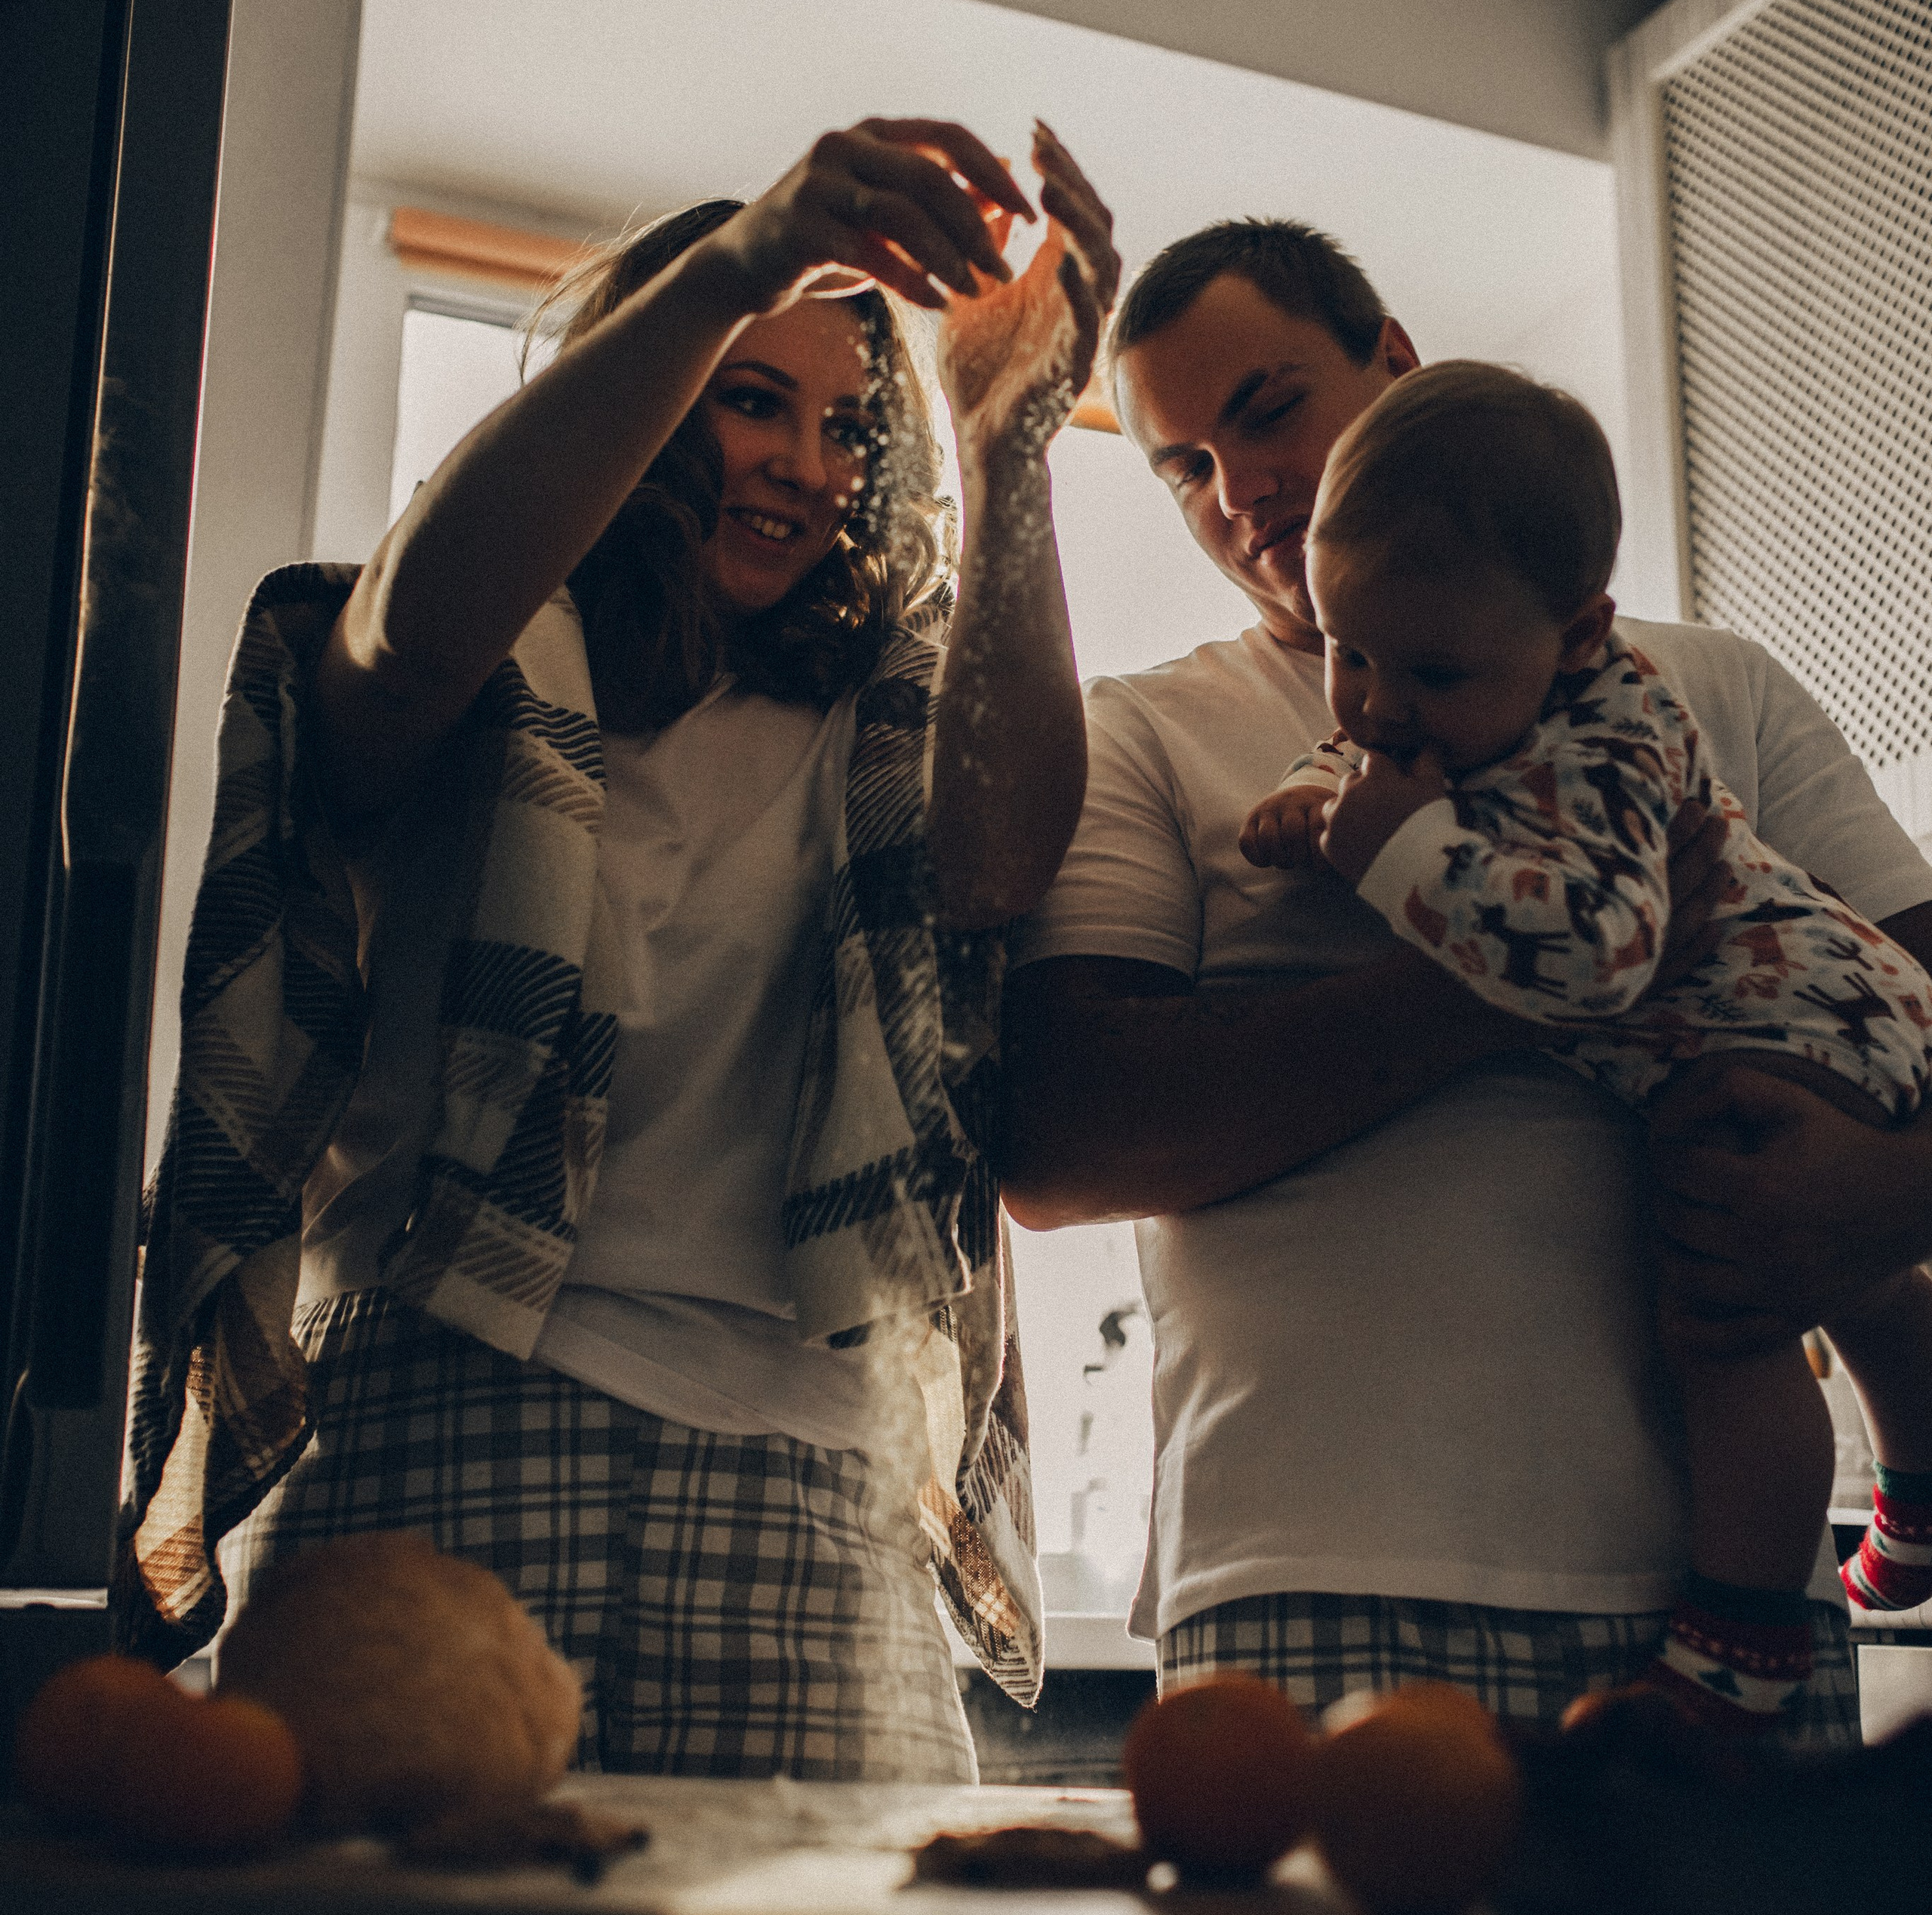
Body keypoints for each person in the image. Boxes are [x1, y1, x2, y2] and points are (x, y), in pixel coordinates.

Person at [119, 117, 1120, 1784]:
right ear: (648, 389)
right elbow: (401, 634)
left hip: (815, 1473)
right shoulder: (487, 655)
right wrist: (743, 263)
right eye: (753, 399)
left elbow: (1003, 862)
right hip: (441, 1424)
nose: (804, 463)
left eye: (848, 427)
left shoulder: (878, 723)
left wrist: (1009, 449)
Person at [999, 217, 1932, 1740]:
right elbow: (1061, 1146)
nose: (1238, 489)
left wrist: (1882, 1199)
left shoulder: (1706, 690)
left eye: (1267, 410)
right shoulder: (1144, 733)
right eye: (1180, 465)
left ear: (1394, 362)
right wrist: (1520, 972)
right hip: (1304, 1555)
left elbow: (1909, 1012)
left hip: (1719, 1581)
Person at [1238, 359, 1932, 1731]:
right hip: (1788, 1012)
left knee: (1725, 1307)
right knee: (1849, 1280)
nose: (1378, 705)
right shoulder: (1464, 691)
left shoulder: (1615, 741)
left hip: (1797, 1014)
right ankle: (1921, 1471)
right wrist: (1320, 792)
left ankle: (1739, 1653)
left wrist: (1392, 855)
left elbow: (1602, 956)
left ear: (1577, 635)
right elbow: (1390, 760)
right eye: (1346, 652)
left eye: (1428, 672)